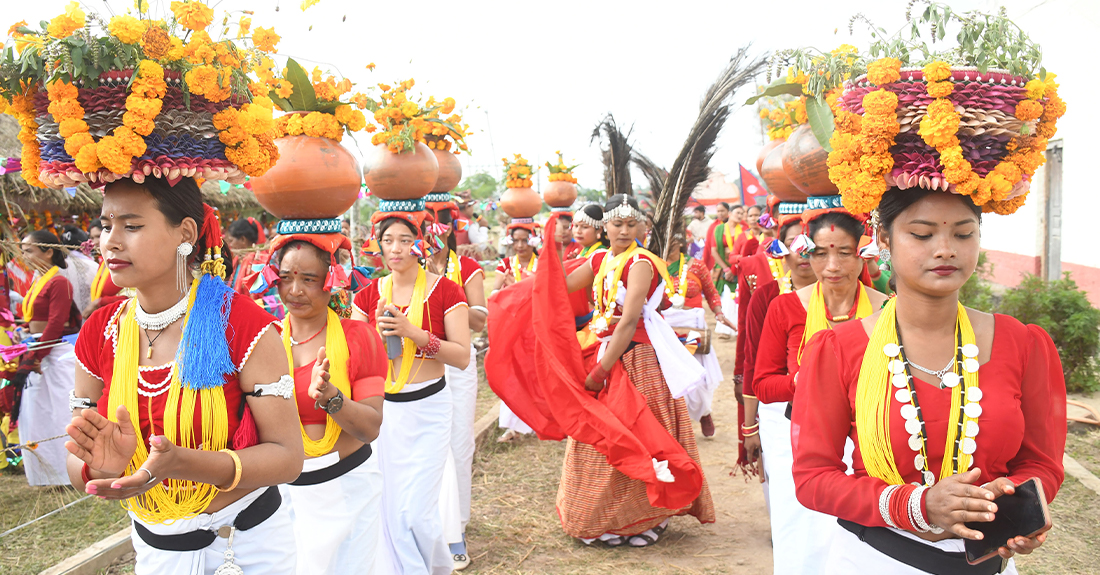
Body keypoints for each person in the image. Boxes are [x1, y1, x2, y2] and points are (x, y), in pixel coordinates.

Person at [67, 177, 304, 574]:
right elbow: (80, 462)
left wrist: (181, 463)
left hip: (245, 550)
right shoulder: (100, 332)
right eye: (107, 225)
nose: (110, 241)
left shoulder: (241, 326)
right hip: (156, 552)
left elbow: (287, 458)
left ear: (186, 233)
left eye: (132, 225)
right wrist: (104, 468)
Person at [557, 195, 716, 547]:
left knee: (642, 436)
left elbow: (629, 321)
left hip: (636, 358)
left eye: (632, 224)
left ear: (644, 227)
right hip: (603, 348)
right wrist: (532, 279)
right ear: (605, 227)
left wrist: (601, 371)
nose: (625, 230)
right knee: (602, 439)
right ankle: (606, 521)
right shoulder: (599, 257)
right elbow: (564, 286)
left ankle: (649, 519)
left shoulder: (641, 262)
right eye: (617, 224)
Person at [751, 205, 888, 572]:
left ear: (863, 254)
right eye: (821, 253)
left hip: (869, 437)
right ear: (806, 254)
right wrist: (805, 383)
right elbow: (763, 385)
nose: (832, 266)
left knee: (859, 533)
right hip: (799, 437)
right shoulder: (785, 308)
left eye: (844, 253)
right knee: (803, 531)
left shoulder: (888, 310)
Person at [351, 206, 471, 575]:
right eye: (388, 240)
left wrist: (413, 333)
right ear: (379, 246)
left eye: (405, 240)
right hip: (383, 413)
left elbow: (463, 356)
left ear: (420, 244)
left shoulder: (446, 291)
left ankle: (431, 567)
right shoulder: (369, 295)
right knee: (386, 505)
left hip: (429, 409)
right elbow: (355, 355)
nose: (396, 248)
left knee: (416, 511)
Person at [273, 233, 386, 575]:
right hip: (285, 495)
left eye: (309, 280)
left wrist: (332, 399)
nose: (295, 291)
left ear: (332, 281)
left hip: (348, 488)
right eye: (286, 278)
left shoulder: (357, 336)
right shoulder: (265, 341)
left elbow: (371, 427)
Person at [424, 205, 487, 571]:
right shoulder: (407, 268)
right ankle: (428, 525)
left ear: (451, 228)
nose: (433, 230)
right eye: (426, 223)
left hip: (457, 364)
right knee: (425, 447)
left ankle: (456, 528)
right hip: (416, 366)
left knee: (458, 445)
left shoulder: (465, 268)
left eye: (440, 223)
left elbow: (479, 320)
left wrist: (448, 300)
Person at [739, 210, 815, 476]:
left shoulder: (850, 294)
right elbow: (752, 361)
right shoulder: (767, 296)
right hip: (780, 409)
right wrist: (750, 427)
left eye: (810, 243)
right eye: (794, 243)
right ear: (780, 248)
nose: (803, 251)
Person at [16, 230, 81, 486]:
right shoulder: (39, 280)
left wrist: (36, 355)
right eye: (22, 250)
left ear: (48, 252)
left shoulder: (59, 282)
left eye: (28, 250)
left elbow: (56, 322)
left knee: (59, 414)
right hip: (39, 349)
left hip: (54, 352)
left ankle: (67, 474)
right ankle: (45, 475)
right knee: (37, 415)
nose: (23, 256)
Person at [660, 233, 734, 438]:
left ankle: (704, 413)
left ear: (683, 243)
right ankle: (676, 424)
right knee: (669, 374)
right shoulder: (654, 264)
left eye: (674, 241)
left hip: (693, 330)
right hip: (665, 329)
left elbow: (711, 292)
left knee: (695, 370)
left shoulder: (697, 266)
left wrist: (719, 314)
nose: (669, 245)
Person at [491, 221, 539, 441]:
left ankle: (537, 423)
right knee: (513, 375)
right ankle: (513, 427)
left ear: (533, 240)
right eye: (516, 240)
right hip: (512, 328)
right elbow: (494, 296)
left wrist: (521, 286)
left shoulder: (542, 264)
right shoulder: (505, 265)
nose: (520, 245)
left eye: (525, 240)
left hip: (537, 327)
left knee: (536, 375)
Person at [711, 203, 744, 338]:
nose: (740, 216)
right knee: (725, 298)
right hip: (723, 267)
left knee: (738, 298)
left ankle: (739, 328)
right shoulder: (719, 229)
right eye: (738, 213)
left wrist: (733, 269)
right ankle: (725, 329)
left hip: (739, 267)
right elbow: (713, 251)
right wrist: (726, 269)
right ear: (730, 213)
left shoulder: (743, 230)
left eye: (742, 214)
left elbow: (745, 252)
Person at [225, 218, 266, 295]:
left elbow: (259, 294)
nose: (230, 245)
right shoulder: (236, 261)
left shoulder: (259, 261)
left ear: (243, 239)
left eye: (231, 241)